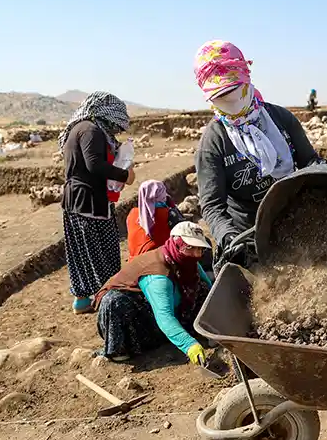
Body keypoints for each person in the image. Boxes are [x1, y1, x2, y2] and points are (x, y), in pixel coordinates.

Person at [193, 40, 324, 268]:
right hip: (248, 240)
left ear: (247, 80)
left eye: (234, 92)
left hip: (295, 225)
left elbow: (310, 161)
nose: (231, 103)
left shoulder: (281, 119)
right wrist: (230, 238)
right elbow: (213, 205)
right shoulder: (214, 141)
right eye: (221, 98)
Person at [92, 222, 221, 371]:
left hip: (159, 304)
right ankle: (122, 350)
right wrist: (189, 345)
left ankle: (183, 331)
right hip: (131, 314)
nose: (197, 255)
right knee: (115, 302)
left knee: (202, 288)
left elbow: (210, 291)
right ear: (178, 245)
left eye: (200, 249)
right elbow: (164, 316)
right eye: (191, 248)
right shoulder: (158, 276)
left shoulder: (186, 261)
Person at [59, 92, 135, 314]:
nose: (117, 130)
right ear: (107, 116)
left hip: (76, 200)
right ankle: (109, 298)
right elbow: (95, 165)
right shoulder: (91, 131)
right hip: (89, 201)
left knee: (81, 251)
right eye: (116, 124)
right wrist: (125, 175)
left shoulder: (82, 128)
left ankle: (82, 299)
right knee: (102, 250)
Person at [126, 179, 215, 280]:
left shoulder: (132, 214)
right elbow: (187, 232)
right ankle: (208, 275)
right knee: (202, 243)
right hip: (159, 262)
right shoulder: (168, 213)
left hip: (134, 264)